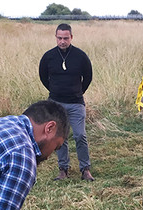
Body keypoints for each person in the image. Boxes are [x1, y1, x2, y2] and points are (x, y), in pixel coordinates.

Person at [39, 23, 94, 181]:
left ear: (71, 37)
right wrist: (56, 91)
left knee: (79, 135)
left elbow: (88, 77)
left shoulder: (80, 56)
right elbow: (43, 77)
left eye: (65, 38)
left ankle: (85, 169)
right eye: (59, 38)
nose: (62, 41)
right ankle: (63, 169)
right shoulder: (48, 57)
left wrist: (77, 92)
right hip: (56, 104)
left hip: (76, 103)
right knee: (59, 137)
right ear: (55, 37)